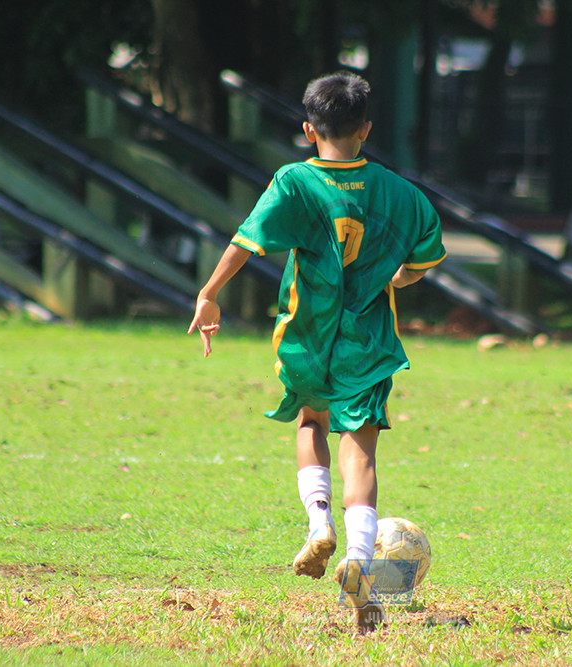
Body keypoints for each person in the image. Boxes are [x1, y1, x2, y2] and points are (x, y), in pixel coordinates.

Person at [187, 71, 446, 634]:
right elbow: (426, 253)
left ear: (309, 129)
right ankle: (358, 557)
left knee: (310, 421)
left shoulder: (294, 181)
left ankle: (318, 523)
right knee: (362, 449)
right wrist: (398, 277)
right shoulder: (399, 192)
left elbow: (246, 240)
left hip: (307, 330)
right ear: (367, 129)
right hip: (368, 337)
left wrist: (209, 294)